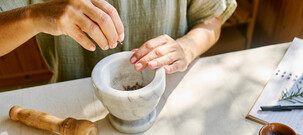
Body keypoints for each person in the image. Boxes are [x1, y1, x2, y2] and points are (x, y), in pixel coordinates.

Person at [0, 0, 236, 83]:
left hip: (166, 92)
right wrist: (34, 16)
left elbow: (210, 18)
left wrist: (186, 47)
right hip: (75, 100)